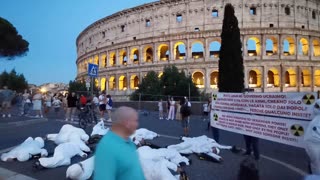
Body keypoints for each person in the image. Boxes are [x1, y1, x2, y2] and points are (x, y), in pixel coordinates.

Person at [94, 106, 145, 180]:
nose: (137, 124)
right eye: (135, 121)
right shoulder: (107, 147)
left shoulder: (128, 141)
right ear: (126, 123)